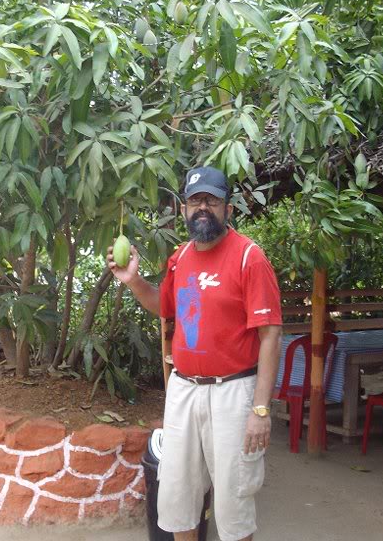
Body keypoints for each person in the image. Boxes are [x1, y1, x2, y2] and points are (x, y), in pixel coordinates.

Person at [107, 166, 282, 541]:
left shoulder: (249, 258)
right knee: (178, 498)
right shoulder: (180, 257)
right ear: (184, 209)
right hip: (184, 391)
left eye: (212, 201)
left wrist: (261, 410)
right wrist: (134, 280)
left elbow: (270, 335)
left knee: (234, 504)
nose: (203, 208)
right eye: (195, 201)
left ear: (228, 209)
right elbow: (164, 306)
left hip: (233, 393)